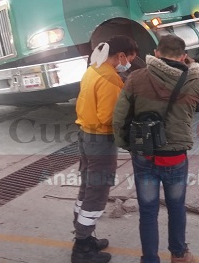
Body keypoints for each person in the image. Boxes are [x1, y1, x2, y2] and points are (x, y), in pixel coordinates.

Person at [112, 35, 199, 263]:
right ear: (183, 57)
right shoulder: (196, 81)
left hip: (144, 155)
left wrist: (127, 145)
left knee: (148, 211)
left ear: (156, 53)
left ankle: (150, 259)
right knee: (176, 207)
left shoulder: (136, 77)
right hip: (175, 157)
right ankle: (178, 254)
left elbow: (119, 117)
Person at [72, 35, 138, 263]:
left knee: (87, 187)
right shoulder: (110, 79)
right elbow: (109, 117)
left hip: (86, 135)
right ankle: (82, 248)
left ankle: (84, 235)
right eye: (129, 58)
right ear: (120, 56)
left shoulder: (93, 70)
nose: (128, 63)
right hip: (101, 140)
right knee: (98, 191)